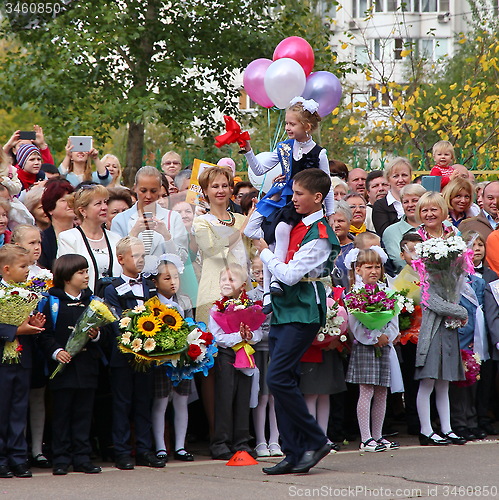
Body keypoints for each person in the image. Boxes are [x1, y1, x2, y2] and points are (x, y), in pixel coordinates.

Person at [253, 169, 340, 475]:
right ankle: (293, 452)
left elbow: (289, 275)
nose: (294, 198)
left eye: (300, 193)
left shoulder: (321, 235)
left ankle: (316, 440)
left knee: (277, 378)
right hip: (285, 308)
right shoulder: (298, 225)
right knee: (282, 380)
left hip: (302, 309)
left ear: (317, 198)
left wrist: (264, 255)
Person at [243, 97, 334, 310]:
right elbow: (258, 170)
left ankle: (272, 286)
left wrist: (328, 214)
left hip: (302, 201)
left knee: (280, 232)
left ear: (307, 126)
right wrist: (248, 150)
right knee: (255, 230)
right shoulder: (284, 148)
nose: (287, 128)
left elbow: (326, 186)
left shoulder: (318, 153)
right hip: (282, 196)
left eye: (292, 124)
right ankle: (270, 286)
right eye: (286, 123)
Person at [103, 236, 165, 470]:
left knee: (143, 401)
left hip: (146, 354)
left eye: (143, 256)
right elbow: (115, 320)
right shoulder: (111, 288)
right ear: (121, 259)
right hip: (123, 354)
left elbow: (157, 314)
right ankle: (121, 451)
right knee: (122, 402)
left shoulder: (149, 285)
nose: (140, 260)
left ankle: (144, 450)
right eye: (135, 256)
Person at [39, 254, 102, 475]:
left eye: (87, 271)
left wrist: (95, 335)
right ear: (67, 277)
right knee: (62, 413)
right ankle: (61, 457)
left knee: (84, 413)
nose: (86, 276)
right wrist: (57, 352)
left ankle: (82, 457)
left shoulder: (92, 301)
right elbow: (44, 335)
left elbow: (101, 333)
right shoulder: (52, 301)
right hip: (63, 370)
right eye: (81, 273)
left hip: (86, 367)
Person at [414, 206, 468, 446]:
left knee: (444, 381)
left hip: (448, 324)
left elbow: (454, 281)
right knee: (428, 379)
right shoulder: (417, 241)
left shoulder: (451, 236)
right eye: (423, 209)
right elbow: (426, 295)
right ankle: (426, 430)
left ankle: (447, 428)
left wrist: (454, 305)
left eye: (434, 209)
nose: (429, 214)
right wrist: (458, 310)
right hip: (432, 325)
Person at [345, 248, 401, 452]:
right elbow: (354, 324)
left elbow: (393, 315)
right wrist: (374, 338)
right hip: (365, 347)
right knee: (366, 391)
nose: (374, 271)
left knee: (382, 392)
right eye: (369, 267)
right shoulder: (355, 293)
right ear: (358, 269)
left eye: (377, 267)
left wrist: (388, 336)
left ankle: (378, 435)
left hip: (384, 346)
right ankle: (366, 437)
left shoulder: (387, 291)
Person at [0, 245, 46, 479]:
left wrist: (34, 324)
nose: (28, 270)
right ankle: (1, 459)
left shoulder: (28, 293)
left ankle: (18, 457)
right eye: (23, 266)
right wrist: (18, 329)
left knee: (19, 409)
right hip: (2, 361)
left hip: (22, 358)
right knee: (2, 410)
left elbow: (27, 326)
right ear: (6, 269)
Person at [208, 264, 262, 460]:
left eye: (231, 280)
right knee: (224, 397)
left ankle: (242, 441)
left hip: (245, 355)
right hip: (226, 355)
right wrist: (238, 338)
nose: (226, 283)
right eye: (223, 279)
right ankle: (220, 442)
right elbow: (216, 336)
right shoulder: (216, 308)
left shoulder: (250, 306)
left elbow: (258, 331)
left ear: (243, 286)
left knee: (242, 397)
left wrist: (250, 336)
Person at [150, 255, 195, 463]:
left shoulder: (184, 300)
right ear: (155, 282)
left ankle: (180, 446)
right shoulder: (153, 303)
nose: (173, 282)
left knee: (181, 400)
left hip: (183, 359)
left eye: (176, 277)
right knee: (160, 401)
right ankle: (160, 446)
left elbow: (192, 327)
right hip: (162, 360)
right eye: (167, 278)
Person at [111, 166, 188, 260]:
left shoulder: (173, 217)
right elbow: (117, 258)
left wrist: (167, 236)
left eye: (153, 191)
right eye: (143, 191)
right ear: (135, 188)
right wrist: (133, 234)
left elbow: (183, 258)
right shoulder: (120, 220)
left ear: (160, 189)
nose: (148, 196)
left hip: (165, 273)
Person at [247, 256, 282, 458]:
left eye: (265, 272)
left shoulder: (279, 293)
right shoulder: (250, 296)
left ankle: (275, 440)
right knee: (260, 396)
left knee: (275, 397)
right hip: (257, 350)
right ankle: (260, 440)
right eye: (257, 272)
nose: (261, 276)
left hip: (275, 348)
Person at [57, 184, 121, 292]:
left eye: (105, 202)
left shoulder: (116, 238)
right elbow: (67, 276)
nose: (105, 207)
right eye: (98, 203)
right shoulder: (69, 238)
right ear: (83, 211)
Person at [382, 184, 426, 272]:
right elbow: (395, 263)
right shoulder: (390, 232)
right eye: (406, 202)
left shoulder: (441, 225)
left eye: (414, 201)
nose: (410, 205)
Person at [39, 179, 74, 271]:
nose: (70, 203)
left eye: (71, 199)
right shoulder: (43, 239)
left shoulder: (84, 233)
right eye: (63, 200)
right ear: (50, 209)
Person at [372, 157, 412, 237]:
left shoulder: (420, 201)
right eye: (395, 176)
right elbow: (385, 234)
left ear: (410, 177)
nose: (400, 180)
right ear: (388, 179)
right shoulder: (380, 205)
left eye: (404, 175)